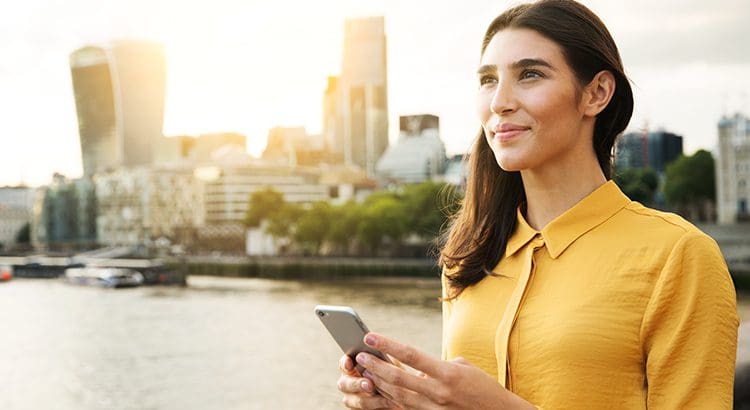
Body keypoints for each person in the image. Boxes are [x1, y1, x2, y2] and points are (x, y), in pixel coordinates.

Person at [336, 0, 740, 408]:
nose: (499, 102)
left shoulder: (679, 256)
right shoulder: (471, 256)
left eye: (529, 74)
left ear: (596, 93)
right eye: (488, 80)